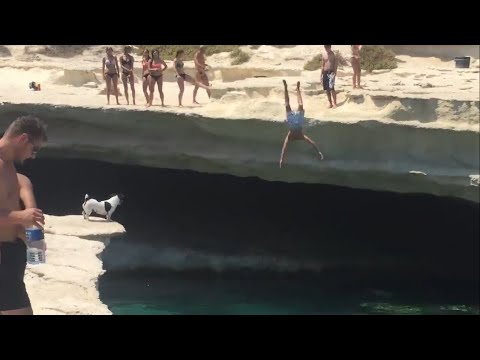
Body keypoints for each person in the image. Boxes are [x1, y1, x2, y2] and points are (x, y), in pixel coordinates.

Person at [0, 115, 47, 315]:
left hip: (9, 255)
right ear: (22, 139)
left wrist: (24, 232)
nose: (33, 156)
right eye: (33, 149)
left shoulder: (8, 165)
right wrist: (22, 217)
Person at [279, 80, 323, 168]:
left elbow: (284, 149)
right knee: (301, 104)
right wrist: (319, 152)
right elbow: (312, 143)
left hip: (291, 121)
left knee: (287, 105)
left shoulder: (289, 137)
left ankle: (286, 88)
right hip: (298, 120)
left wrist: (281, 160)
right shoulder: (301, 136)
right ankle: (298, 89)